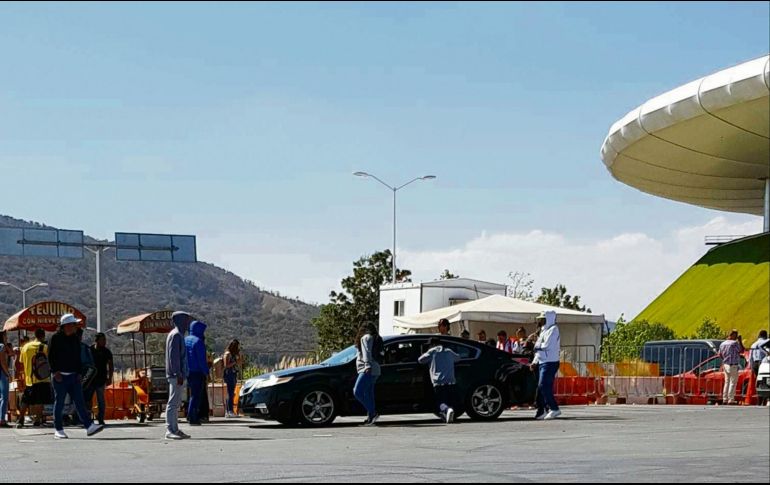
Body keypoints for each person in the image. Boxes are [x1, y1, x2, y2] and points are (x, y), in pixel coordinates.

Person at [48, 314, 104, 439]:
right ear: (66, 326)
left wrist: (79, 373)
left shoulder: (74, 338)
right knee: (60, 403)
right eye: (73, 324)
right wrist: (55, 372)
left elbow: (77, 357)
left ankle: (89, 426)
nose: (75, 327)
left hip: (74, 376)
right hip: (60, 377)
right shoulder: (55, 338)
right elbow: (51, 356)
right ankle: (58, 429)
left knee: (80, 402)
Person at [418, 337, 461, 424]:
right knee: (449, 399)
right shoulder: (449, 351)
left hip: (438, 382)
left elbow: (420, 360)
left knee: (440, 401)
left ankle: (447, 410)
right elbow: (458, 358)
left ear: (433, 345)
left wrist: (426, 352)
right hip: (451, 381)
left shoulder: (432, 352)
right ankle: (450, 411)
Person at [16, 328, 52, 429]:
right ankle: (37, 420)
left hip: (29, 379)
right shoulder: (45, 347)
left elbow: (21, 362)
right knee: (40, 400)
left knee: (25, 400)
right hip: (43, 378)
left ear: (34, 335)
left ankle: (21, 419)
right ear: (43, 336)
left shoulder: (25, 347)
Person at [165, 311, 191, 440]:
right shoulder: (175, 335)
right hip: (176, 375)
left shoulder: (178, 335)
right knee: (173, 403)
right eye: (185, 320)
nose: (187, 323)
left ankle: (175, 428)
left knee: (176, 403)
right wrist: (178, 373)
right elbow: (173, 357)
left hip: (179, 374)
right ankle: (170, 430)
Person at [531, 311, 561, 420]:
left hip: (550, 362)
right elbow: (538, 350)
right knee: (540, 387)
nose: (540, 321)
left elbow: (547, 345)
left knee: (544, 385)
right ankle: (541, 410)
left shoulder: (554, 329)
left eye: (542, 318)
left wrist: (536, 344)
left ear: (548, 318)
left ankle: (554, 408)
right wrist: (535, 362)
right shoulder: (544, 331)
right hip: (542, 361)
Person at [353, 323, 382, 426]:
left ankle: (373, 413)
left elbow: (367, 352)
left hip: (367, 369)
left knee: (357, 391)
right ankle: (370, 417)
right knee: (369, 393)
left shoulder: (366, 337)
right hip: (374, 369)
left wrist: (367, 365)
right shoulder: (373, 337)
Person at [185, 321, 209, 426]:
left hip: (188, 371)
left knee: (191, 395)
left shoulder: (185, 340)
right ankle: (193, 417)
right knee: (196, 396)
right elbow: (201, 359)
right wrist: (206, 372)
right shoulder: (198, 341)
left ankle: (190, 415)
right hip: (197, 371)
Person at [86, 333, 114, 426]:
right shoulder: (89, 350)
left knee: (101, 399)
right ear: (97, 340)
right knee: (88, 399)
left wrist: (110, 378)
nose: (104, 342)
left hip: (101, 379)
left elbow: (110, 365)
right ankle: (88, 418)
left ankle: (101, 418)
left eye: (105, 340)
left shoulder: (107, 352)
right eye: (102, 340)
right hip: (90, 379)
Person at [718, 329, 742, 405]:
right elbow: (741, 350)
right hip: (733, 364)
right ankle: (731, 399)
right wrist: (740, 341)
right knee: (733, 382)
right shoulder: (734, 343)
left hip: (725, 364)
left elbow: (720, 354)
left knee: (727, 382)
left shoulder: (722, 344)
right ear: (733, 335)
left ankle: (725, 398)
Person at [749, 330, 769, 406]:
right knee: (765, 381)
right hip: (763, 363)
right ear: (765, 335)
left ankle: (759, 399)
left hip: (755, 363)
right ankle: (764, 399)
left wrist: (751, 366)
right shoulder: (766, 342)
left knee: (758, 381)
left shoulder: (753, 344)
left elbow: (750, 357)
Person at [223, 339, 242, 418]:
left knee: (232, 393)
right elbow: (226, 365)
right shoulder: (228, 354)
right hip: (229, 374)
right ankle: (229, 411)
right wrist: (235, 362)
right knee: (230, 393)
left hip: (233, 374)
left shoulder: (233, 354)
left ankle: (229, 411)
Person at [0, 331, 13, 428]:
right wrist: (8, 374)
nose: (7, 338)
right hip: (2, 373)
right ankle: (2, 420)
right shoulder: (1, 347)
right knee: (4, 397)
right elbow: (3, 362)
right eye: (5, 336)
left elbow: (11, 353)